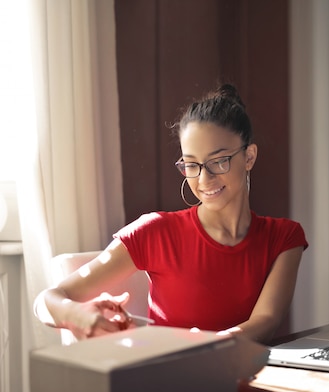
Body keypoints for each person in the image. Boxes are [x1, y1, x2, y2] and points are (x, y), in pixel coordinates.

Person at [34, 84, 308, 344]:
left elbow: (266, 320)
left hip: (252, 384)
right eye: (191, 165)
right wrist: (77, 315)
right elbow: (47, 300)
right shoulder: (155, 232)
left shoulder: (284, 238)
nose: (205, 178)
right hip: (170, 388)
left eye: (218, 161)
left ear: (249, 157)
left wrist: (203, 345)